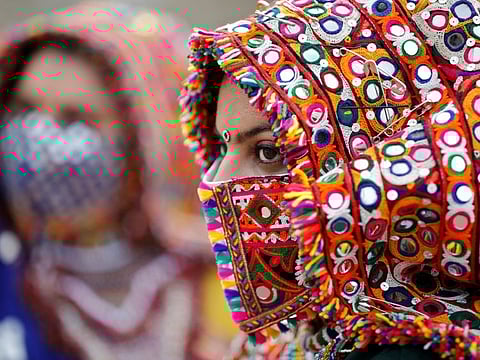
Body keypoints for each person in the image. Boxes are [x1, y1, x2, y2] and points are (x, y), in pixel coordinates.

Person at [180, 0, 480, 358]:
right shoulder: (300, 339)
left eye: (268, 151)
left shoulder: (414, 348)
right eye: (223, 145)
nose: (218, 180)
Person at [0, 3, 235, 359]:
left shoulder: (233, 285)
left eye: (76, 118)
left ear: (149, 139)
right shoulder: (11, 273)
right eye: (24, 109)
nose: (38, 136)